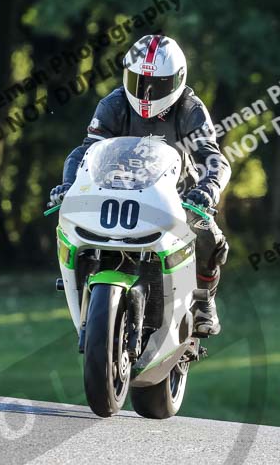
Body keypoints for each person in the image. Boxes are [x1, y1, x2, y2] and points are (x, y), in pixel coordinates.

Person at [49, 34, 230, 336]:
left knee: (209, 235)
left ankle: (204, 301)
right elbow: (87, 149)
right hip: (114, 192)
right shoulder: (114, 103)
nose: (145, 94)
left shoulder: (190, 108)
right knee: (69, 221)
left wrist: (208, 189)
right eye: (138, 82)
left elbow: (214, 159)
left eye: (156, 86)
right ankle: (84, 286)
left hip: (176, 196)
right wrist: (68, 185)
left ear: (177, 80)